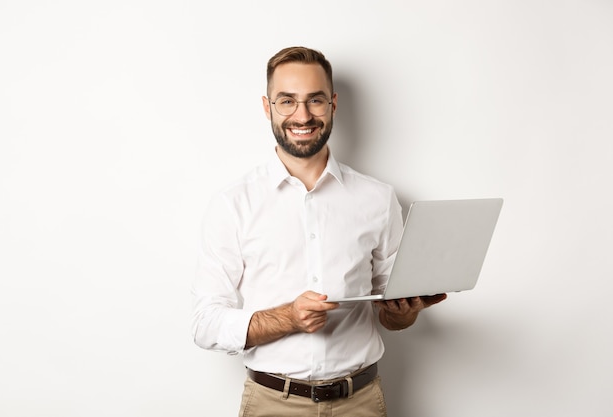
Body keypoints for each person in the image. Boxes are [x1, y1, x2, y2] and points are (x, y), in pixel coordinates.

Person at [191, 46, 447, 417]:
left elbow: (392, 315)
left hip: (360, 402)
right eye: (287, 101)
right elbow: (204, 323)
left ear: (333, 104)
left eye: (315, 100)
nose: (302, 115)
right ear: (267, 108)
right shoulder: (233, 204)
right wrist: (288, 317)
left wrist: (405, 312)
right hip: (272, 404)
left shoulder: (378, 198)